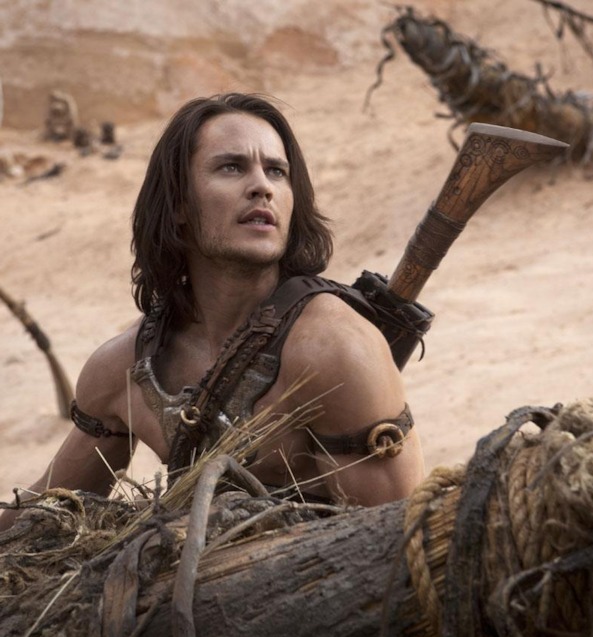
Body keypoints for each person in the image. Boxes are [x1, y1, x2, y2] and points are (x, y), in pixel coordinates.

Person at [0, 93, 424, 530]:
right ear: (179, 203)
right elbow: (40, 514)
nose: (262, 187)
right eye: (231, 167)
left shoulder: (335, 350)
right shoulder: (124, 370)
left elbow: (401, 540)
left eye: (276, 171)